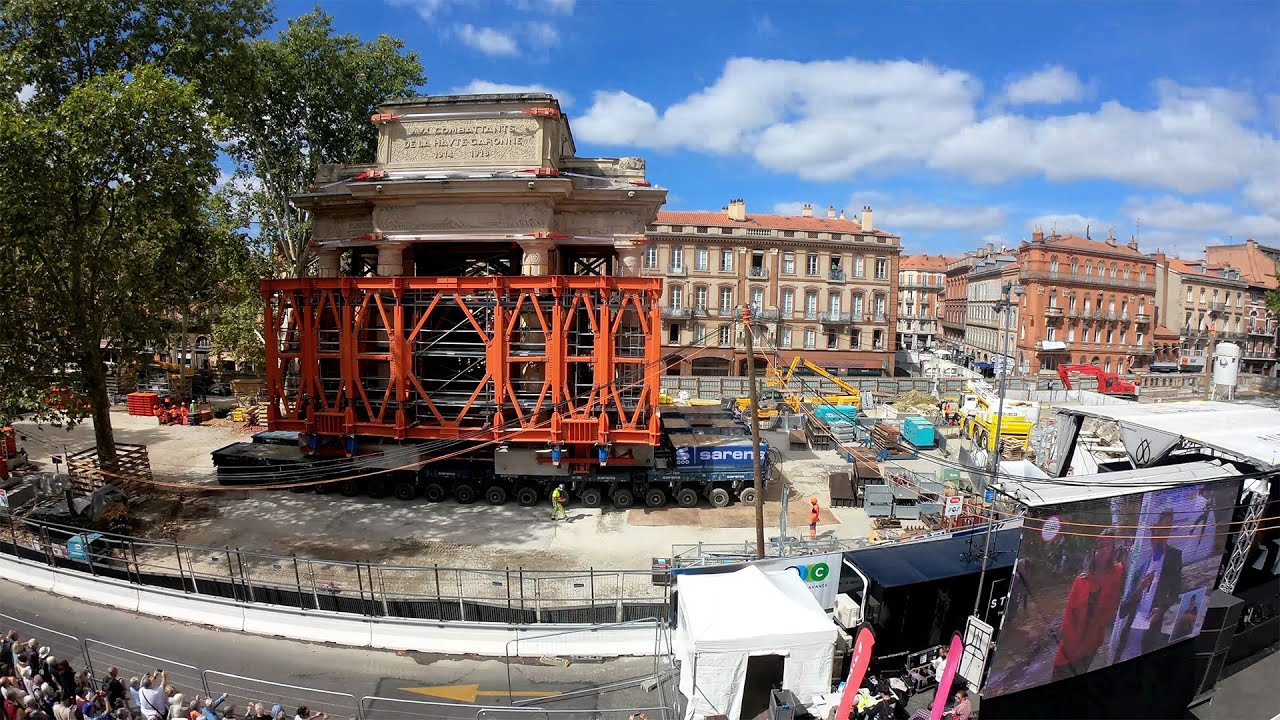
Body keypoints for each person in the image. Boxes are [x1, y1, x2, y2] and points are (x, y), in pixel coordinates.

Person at [1052, 529, 1125, 681]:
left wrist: (1085, 647)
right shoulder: (1081, 581)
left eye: (1107, 545)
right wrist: (1074, 649)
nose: (1103, 548)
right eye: (1100, 544)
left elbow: (1112, 609)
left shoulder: (1117, 573)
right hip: (1070, 649)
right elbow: (1067, 619)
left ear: (1113, 550)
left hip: (1091, 646)